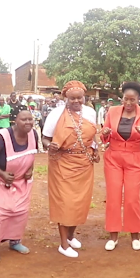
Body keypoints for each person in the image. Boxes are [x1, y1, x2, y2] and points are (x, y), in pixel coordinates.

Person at [42, 81, 99, 258]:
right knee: (64, 203)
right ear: (65, 98)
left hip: (84, 163)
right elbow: (45, 139)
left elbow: (93, 137)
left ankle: (71, 235)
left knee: (79, 202)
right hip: (62, 163)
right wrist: (49, 146)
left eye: (79, 98)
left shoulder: (90, 113)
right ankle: (63, 244)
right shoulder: (56, 114)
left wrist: (96, 151)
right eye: (72, 98)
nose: (76, 101)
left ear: (84, 97)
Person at [100, 81, 140, 251]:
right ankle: (113, 235)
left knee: (132, 198)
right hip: (114, 157)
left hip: (134, 158)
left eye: (133, 100)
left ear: (139, 99)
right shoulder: (113, 111)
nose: (129, 103)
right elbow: (104, 137)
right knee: (113, 197)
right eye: (126, 99)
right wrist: (105, 133)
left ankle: (135, 234)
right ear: (122, 99)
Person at [0, 110, 38, 263]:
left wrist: (30, 170)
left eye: (30, 119)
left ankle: (15, 241)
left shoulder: (34, 134)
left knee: (21, 210)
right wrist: (2, 173)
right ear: (14, 121)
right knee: (0, 211)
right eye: (23, 119)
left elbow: (32, 155)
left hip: (20, 180)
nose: (28, 122)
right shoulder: (1, 138)